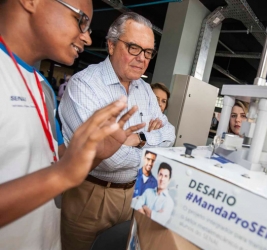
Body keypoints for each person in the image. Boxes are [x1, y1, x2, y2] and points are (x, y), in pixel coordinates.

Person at [0, 0, 144, 249]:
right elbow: (58, 173)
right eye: (81, 20)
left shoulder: (41, 85)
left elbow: (52, 159)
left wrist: (94, 153)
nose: (87, 38)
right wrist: (61, 176)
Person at [59, 12, 176, 250]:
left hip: (134, 194)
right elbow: (106, 159)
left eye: (148, 52)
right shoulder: (85, 85)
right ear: (111, 45)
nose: (142, 58)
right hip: (91, 195)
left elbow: (170, 134)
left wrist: (140, 138)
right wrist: (150, 151)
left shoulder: (144, 90)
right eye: (133, 48)